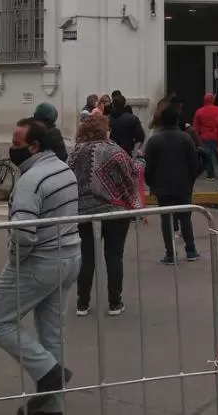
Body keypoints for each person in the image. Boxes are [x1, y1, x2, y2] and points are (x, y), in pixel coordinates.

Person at [0, 119, 80, 415]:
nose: (11, 149)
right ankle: (52, 408)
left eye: (16, 143)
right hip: (70, 257)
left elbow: (23, 232)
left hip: (40, 261)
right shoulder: (64, 169)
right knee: (52, 333)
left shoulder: (30, 180)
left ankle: (50, 373)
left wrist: (15, 260)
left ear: (34, 146)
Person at [68, 114, 141, 316]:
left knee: (86, 255)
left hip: (82, 212)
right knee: (115, 255)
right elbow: (131, 177)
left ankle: (83, 303)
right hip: (115, 212)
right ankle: (114, 302)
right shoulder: (115, 151)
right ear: (104, 130)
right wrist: (134, 204)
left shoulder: (75, 153)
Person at [143, 104, 201, 264]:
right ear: (177, 120)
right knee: (185, 217)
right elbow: (194, 163)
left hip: (162, 186)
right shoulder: (186, 138)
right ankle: (191, 250)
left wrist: (151, 183)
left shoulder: (154, 141)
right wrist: (190, 180)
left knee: (166, 219)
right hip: (183, 184)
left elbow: (149, 166)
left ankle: (170, 253)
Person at [192, 93, 218, 181]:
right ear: (212, 99)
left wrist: (196, 138)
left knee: (207, 156)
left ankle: (210, 175)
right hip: (217, 136)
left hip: (205, 137)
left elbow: (196, 126)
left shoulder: (199, 111)